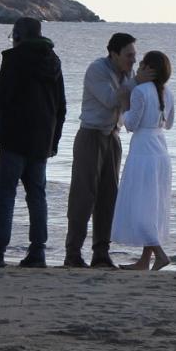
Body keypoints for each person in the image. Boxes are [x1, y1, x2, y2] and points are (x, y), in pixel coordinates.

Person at [0, 17, 66, 268]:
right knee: (37, 196)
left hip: (14, 136)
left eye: (13, 35)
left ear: (19, 35)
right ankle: (38, 252)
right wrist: (54, 140)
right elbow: (61, 106)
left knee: (6, 194)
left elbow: (5, 97)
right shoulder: (53, 61)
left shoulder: (14, 59)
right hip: (42, 139)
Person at [63, 33, 154, 268]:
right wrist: (136, 83)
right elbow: (111, 99)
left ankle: (101, 254)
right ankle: (73, 253)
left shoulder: (128, 75)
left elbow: (131, 103)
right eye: (129, 55)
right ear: (114, 54)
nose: (133, 60)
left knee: (109, 197)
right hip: (91, 135)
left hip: (113, 135)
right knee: (83, 196)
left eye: (134, 55)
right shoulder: (97, 70)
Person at [111, 51, 175, 271]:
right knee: (152, 206)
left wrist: (124, 105)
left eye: (142, 65)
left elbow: (131, 124)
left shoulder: (140, 91)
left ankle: (159, 254)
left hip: (143, 151)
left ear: (149, 69)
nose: (138, 68)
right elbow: (169, 124)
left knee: (140, 205)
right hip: (161, 150)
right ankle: (144, 260)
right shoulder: (168, 92)